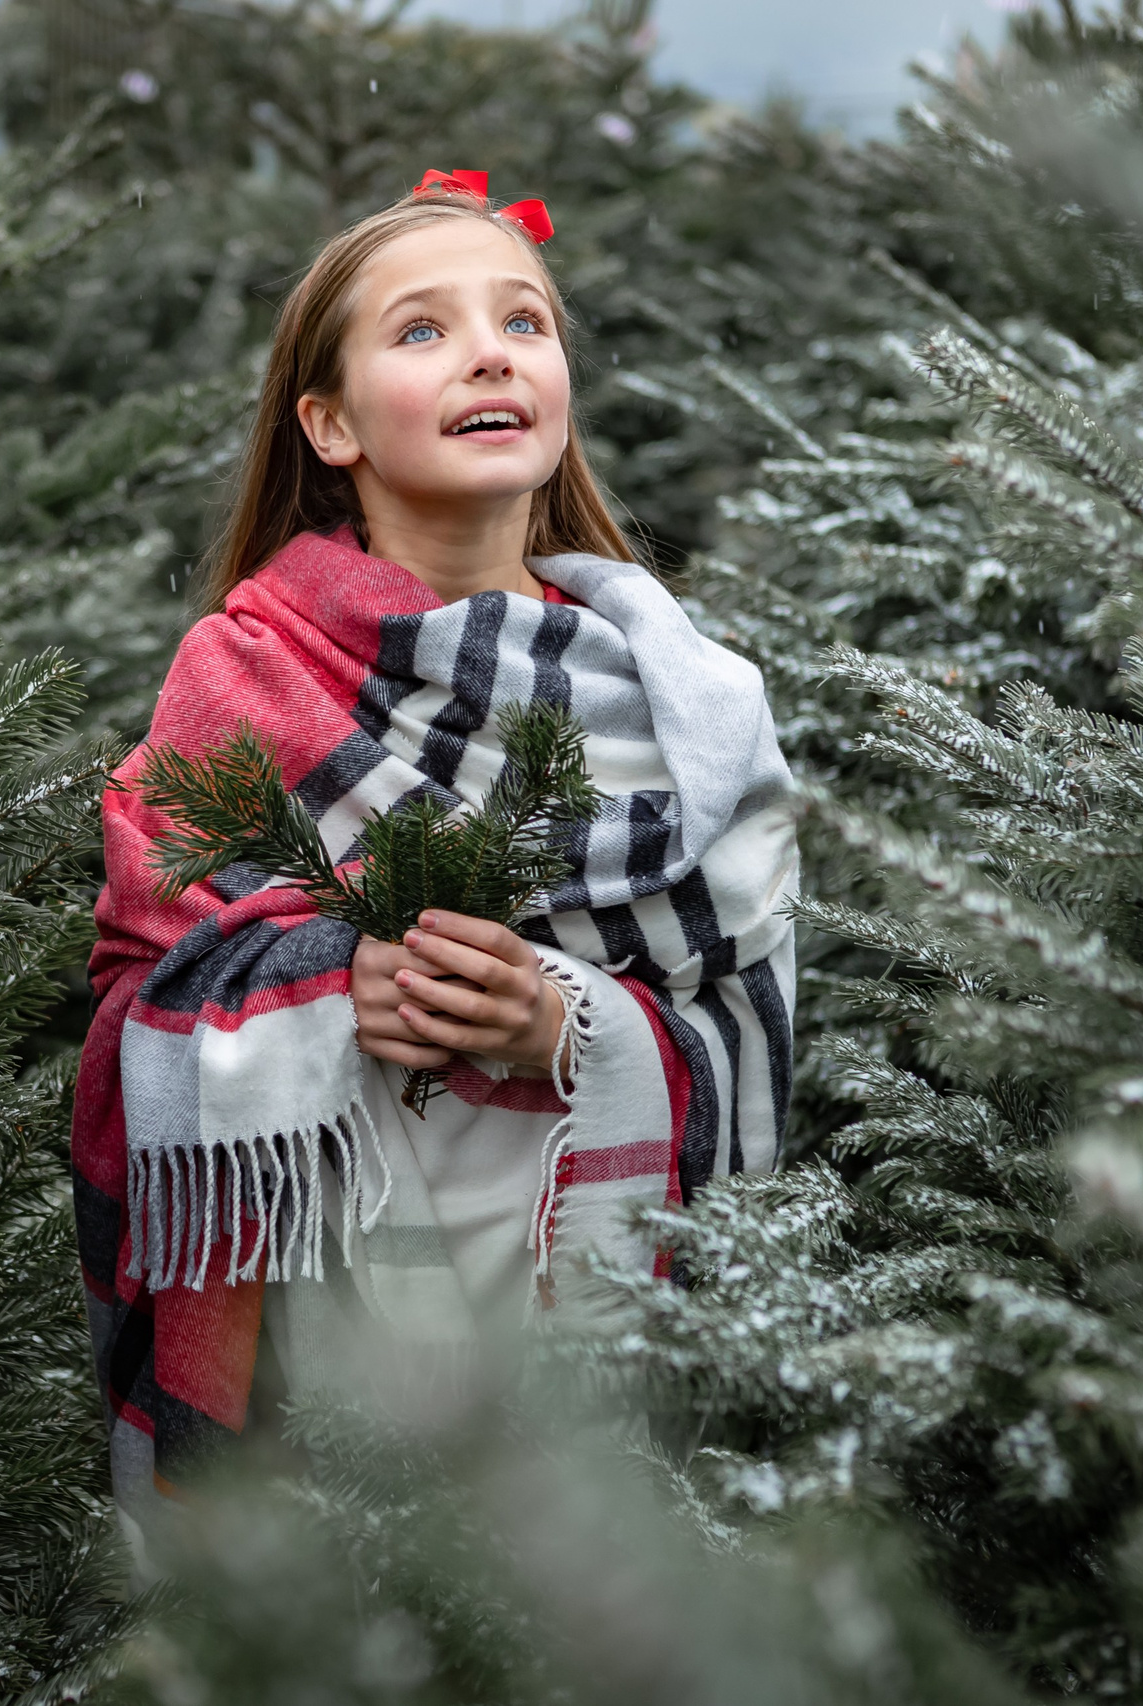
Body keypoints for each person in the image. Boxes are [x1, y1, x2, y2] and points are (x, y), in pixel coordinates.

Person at [73, 170, 797, 1556]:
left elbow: (746, 1020)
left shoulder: (689, 704)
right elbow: (134, 984)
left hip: (586, 1320)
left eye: (524, 322)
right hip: (334, 1346)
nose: (490, 352)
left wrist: (566, 1025)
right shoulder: (248, 674)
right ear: (330, 424)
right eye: (422, 329)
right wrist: (321, 984)